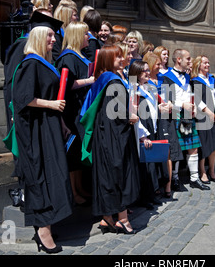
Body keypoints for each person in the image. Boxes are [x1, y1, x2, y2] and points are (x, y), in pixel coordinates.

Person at [10, 13, 72, 254]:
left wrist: (61, 121)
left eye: (53, 36)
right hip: (35, 131)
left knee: (53, 174)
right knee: (39, 174)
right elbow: (23, 99)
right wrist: (51, 105)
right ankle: (42, 229)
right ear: (37, 37)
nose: (54, 40)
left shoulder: (45, 63)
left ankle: (48, 222)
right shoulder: (30, 63)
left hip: (49, 126)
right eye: (49, 36)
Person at [80, 45, 140, 234]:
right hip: (114, 137)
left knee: (105, 175)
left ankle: (107, 218)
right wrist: (131, 117)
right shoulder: (113, 82)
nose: (122, 59)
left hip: (103, 135)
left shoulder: (102, 80)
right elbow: (117, 114)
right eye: (117, 57)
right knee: (118, 173)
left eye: (122, 56)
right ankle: (122, 219)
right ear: (107, 60)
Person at [55, 22, 95, 206]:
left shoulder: (80, 55)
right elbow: (66, 85)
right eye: (85, 34)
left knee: (79, 152)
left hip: (82, 110)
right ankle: (73, 192)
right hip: (72, 111)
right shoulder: (68, 58)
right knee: (72, 154)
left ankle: (79, 187)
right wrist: (89, 80)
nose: (89, 37)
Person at [162, 49, 210, 191]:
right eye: (188, 59)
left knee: (192, 147)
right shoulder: (167, 77)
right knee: (176, 149)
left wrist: (196, 107)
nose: (190, 61)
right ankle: (175, 178)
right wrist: (181, 105)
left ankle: (194, 178)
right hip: (174, 117)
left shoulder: (188, 77)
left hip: (187, 116)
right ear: (178, 60)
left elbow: (190, 95)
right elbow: (166, 100)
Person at [129, 61, 168, 208]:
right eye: (144, 71)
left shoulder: (149, 88)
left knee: (153, 164)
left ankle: (153, 193)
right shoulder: (134, 89)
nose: (147, 72)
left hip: (153, 127)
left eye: (147, 70)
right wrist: (142, 135)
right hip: (142, 128)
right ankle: (144, 197)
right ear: (137, 73)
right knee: (145, 165)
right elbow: (134, 113)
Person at [191, 56, 215, 180]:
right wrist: (209, 113)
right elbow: (197, 100)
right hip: (203, 117)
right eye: (205, 63)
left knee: (214, 144)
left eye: (208, 63)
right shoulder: (195, 80)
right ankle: (203, 172)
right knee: (205, 144)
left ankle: (212, 170)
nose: (207, 65)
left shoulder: (212, 79)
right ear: (198, 65)